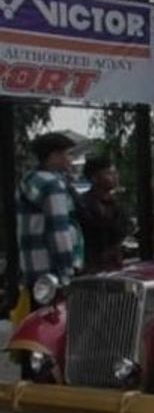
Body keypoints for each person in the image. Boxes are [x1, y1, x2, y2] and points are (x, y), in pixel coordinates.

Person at [11, 133, 83, 324]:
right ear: (54, 156)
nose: (70, 159)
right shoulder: (52, 185)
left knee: (35, 327)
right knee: (56, 329)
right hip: (53, 274)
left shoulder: (29, 179)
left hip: (33, 271)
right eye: (67, 154)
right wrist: (67, 273)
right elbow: (59, 233)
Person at [77, 155, 132, 274]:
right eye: (109, 173)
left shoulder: (117, 204)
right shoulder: (83, 204)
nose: (115, 177)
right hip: (90, 267)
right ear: (94, 178)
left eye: (115, 173)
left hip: (114, 267)